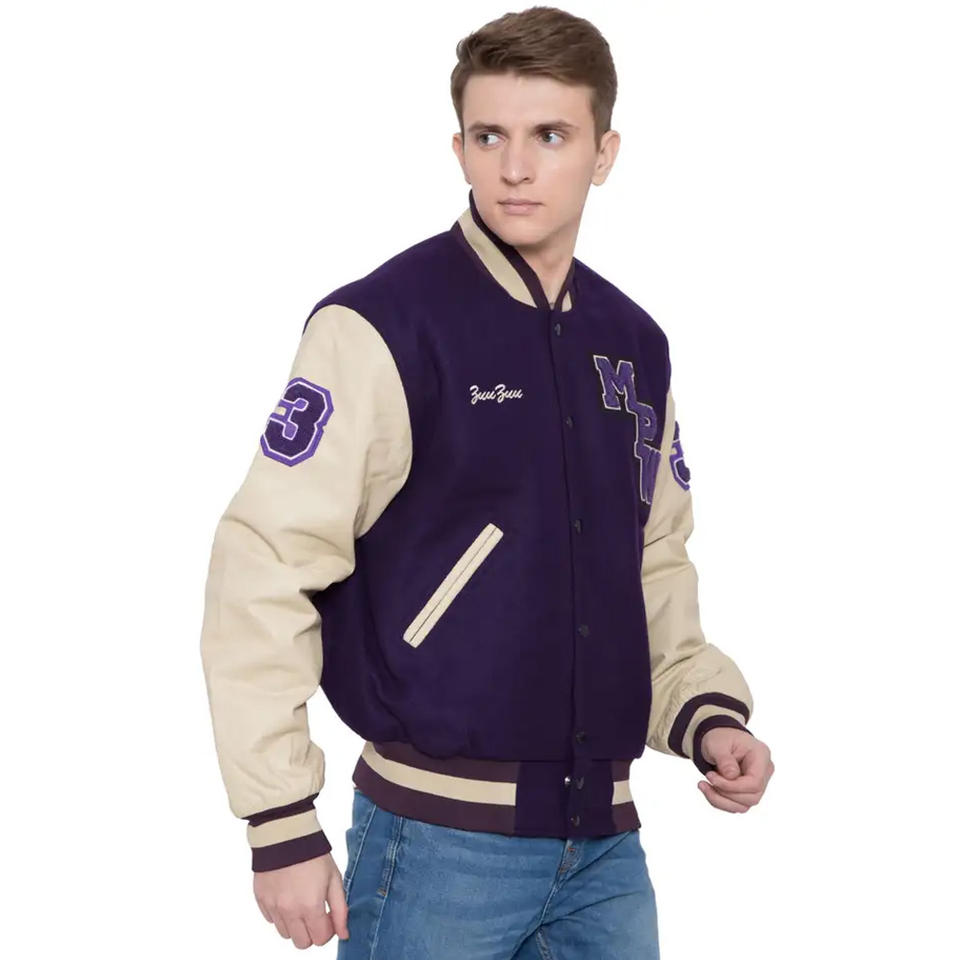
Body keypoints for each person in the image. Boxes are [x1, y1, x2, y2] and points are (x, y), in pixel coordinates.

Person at [199, 6, 775, 957]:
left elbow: (652, 560)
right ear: (459, 148)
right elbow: (264, 564)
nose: (515, 167)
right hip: (436, 844)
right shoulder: (382, 326)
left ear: (603, 153)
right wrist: (279, 820)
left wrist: (705, 713)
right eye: (488, 136)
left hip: (607, 849)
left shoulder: (632, 343)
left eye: (550, 135)